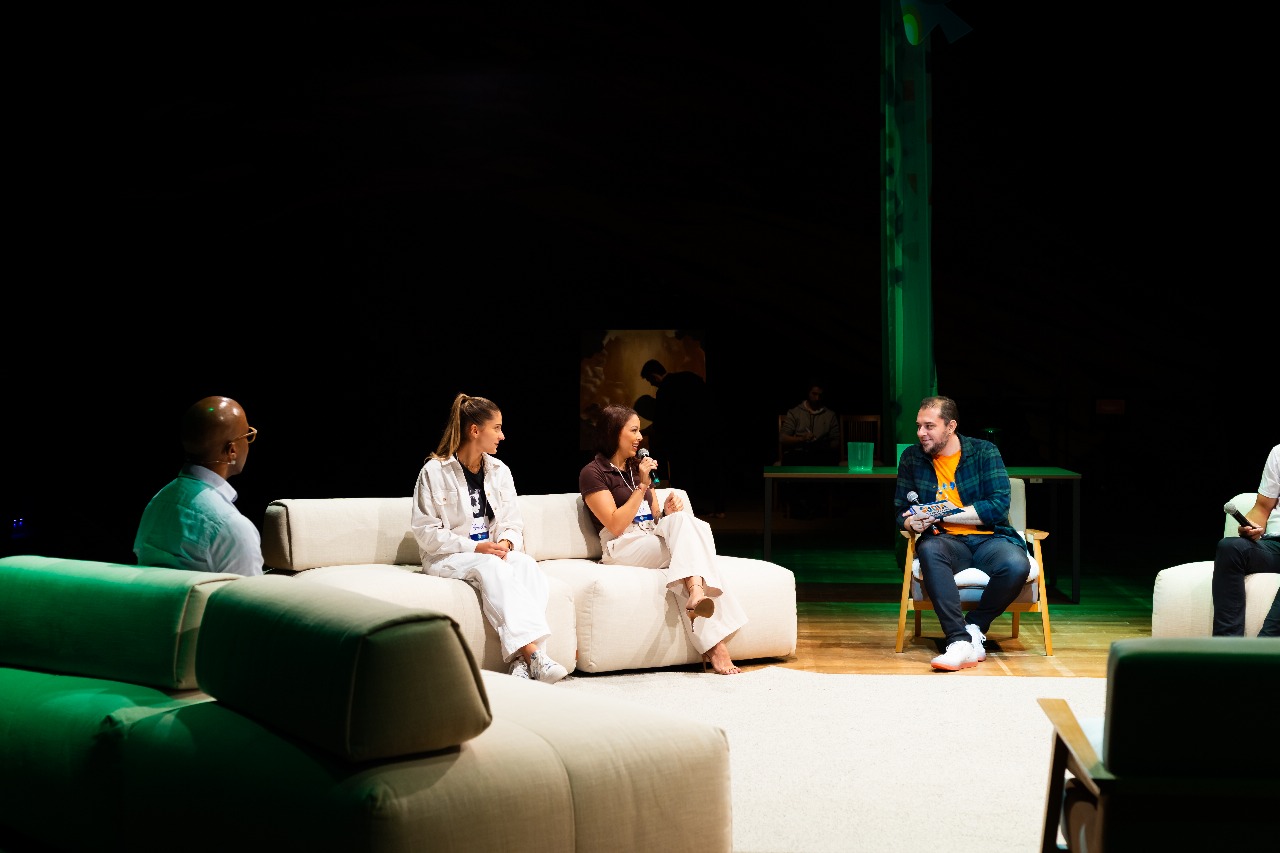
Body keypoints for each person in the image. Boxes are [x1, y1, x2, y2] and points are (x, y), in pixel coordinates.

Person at [410, 393, 568, 683]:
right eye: (496, 428)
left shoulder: (499, 471)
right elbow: (426, 533)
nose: (502, 436)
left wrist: (506, 543)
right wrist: (475, 547)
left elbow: (512, 522)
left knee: (526, 565)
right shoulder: (434, 471)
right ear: (475, 430)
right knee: (492, 566)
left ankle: (526, 663)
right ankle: (533, 654)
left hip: (489, 552)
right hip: (448, 556)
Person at [579, 404, 747, 674]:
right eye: (634, 431)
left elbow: (654, 517)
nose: (640, 437)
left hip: (650, 535)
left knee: (689, 523)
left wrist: (666, 513)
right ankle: (714, 642)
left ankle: (697, 596)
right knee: (695, 548)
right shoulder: (593, 473)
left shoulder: (636, 468)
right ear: (614, 433)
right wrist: (643, 485)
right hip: (622, 545)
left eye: (640, 431)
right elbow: (616, 524)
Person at [894, 395, 1030, 671]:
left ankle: (975, 627)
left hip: (990, 537)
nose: (921, 433)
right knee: (929, 549)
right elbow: (900, 510)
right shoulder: (911, 457)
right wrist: (911, 523)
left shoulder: (984, 452)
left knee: (1016, 564)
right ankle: (957, 640)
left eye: (929, 426)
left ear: (951, 426)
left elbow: (997, 506)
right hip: (945, 540)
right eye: (919, 426)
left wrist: (942, 513)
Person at [134, 395, 264, 577]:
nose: (249, 444)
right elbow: (250, 595)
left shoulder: (155, 505)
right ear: (232, 450)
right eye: (248, 436)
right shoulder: (232, 526)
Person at [638, 358, 724, 518]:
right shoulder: (691, 378)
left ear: (654, 376)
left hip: (681, 442)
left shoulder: (664, 390)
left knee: (683, 476)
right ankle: (719, 509)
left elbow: (661, 421)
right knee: (711, 470)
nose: (652, 384)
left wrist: (643, 432)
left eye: (650, 381)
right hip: (708, 434)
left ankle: (688, 511)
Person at [1211, 442, 1280, 637]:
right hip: (1275, 545)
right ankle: (1228, 645)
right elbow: (1262, 508)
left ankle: (1263, 647)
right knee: (1230, 548)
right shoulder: (1279, 452)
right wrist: (1250, 527)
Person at [779, 382, 842, 517]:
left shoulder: (829, 415)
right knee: (792, 461)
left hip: (820, 452)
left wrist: (822, 443)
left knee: (825, 461)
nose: (817, 398)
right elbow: (783, 438)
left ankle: (813, 505)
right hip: (799, 451)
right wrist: (801, 439)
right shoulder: (795, 412)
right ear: (808, 393)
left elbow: (836, 441)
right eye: (814, 394)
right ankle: (799, 506)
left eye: (820, 395)